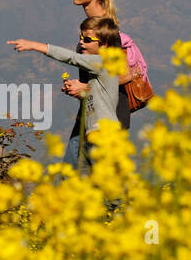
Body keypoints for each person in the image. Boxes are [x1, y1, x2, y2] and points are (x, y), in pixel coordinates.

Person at [9, 16, 121, 174]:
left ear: (105, 45)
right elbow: (99, 99)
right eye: (81, 38)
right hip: (92, 135)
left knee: (109, 189)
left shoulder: (102, 62)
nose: (81, 42)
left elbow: (73, 58)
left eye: (87, 39)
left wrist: (34, 45)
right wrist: (81, 93)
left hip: (104, 135)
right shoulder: (98, 71)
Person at [68, 0, 149, 132]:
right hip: (91, 115)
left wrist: (86, 88)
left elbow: (125, 75)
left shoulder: (107, 31)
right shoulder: (92, 27)